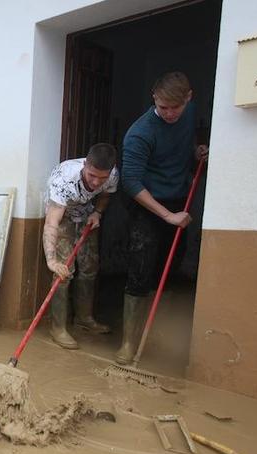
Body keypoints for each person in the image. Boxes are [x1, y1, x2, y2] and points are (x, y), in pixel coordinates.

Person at [117, 71, 208, 364]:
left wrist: (197, 151)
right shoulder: (140, 133)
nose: (169, 113)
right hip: (146, 202)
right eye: (163, 107)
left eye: (176, 108)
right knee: (141, 265)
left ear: (188, 99)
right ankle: (129, 344)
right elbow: (130, 182)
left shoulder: (190, 112)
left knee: (171, 263)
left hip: (179, 195)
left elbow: (185, 143)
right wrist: (167, 215)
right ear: (154, 98)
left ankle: (154, 335)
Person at [43, 143, 118, 349]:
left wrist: (98, 213)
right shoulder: (64, 179)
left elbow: (105, 195)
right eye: (92, 175)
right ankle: (57, 328)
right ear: (85, 164)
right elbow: (52, 223)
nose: (96, 182)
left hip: (86, 215)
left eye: (102, 178)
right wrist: (51, 260)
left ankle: (84, 318)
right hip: (62, 215)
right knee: (64, 270)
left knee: (90, 268)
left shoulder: (111, 175)